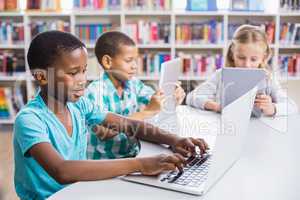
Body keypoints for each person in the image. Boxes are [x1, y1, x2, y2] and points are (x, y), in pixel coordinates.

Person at [13, 31, 208, 200]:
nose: (82, 80)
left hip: (79, 190)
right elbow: (62, 171)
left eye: (83, 71)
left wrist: (176, 139)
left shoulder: (80, 105)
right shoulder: (30, 119)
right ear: (42, 76)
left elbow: (129, 124)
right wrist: (140, 164)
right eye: (73, 73)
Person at [85, 31, 186, 159]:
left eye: (135, 61)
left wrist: (172, 97)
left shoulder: (133, 83)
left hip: (131, 153)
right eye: (129, 61)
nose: (135, 66)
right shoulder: (95, 92)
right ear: (107, 62)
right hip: (106, 162)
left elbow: (154, 98)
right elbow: (103, 132)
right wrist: (147, 112)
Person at [186, 24, 298, 117]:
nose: (247, 65)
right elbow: (191, 97)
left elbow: (292, 106)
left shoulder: (267, 79)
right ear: (232, 55)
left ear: (263, 58)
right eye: (241, 57)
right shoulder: (221, 75)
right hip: (227, 129)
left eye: (253, 59)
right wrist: (216, 107)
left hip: (259, 132)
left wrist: (272, 108)